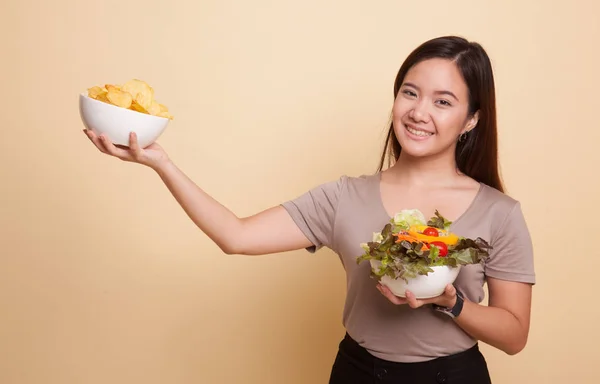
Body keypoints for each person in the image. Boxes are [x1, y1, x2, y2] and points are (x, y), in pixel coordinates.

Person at [83, 36, 535, 384]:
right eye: (410, 93)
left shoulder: (499, 212)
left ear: (471, 119)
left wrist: (451, 302)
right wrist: (161, 162)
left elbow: (514, 336)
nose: (419, 112)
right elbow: (235, 236)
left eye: (443, 102)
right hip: (357, 373)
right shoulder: (343, 197)